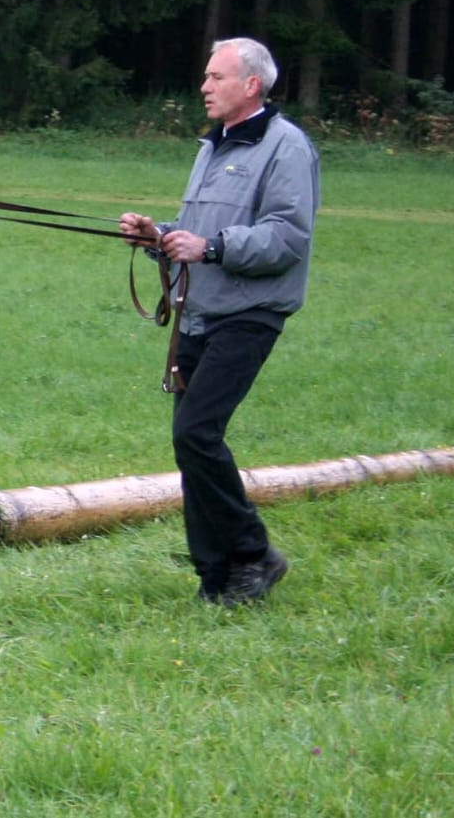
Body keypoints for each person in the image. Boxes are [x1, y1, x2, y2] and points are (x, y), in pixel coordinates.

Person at [119, 37, 319, 606]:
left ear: (250, 85)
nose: (204, 86)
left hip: (249, 314)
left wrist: (210, 248)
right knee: (190, 445)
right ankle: (217, 574)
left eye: (216, 77)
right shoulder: (212, 147)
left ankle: (254, 554)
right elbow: (194, 231)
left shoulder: (287, 148)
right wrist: (157, 237)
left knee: (196, 433)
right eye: (206, 77)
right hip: (199, 311)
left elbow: (287, 237)